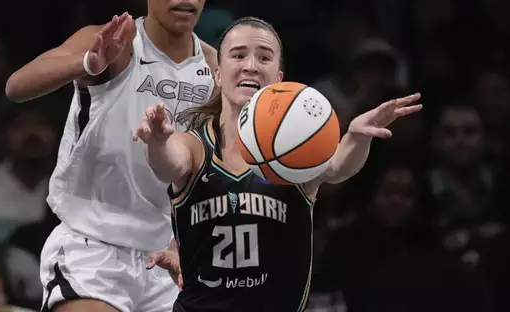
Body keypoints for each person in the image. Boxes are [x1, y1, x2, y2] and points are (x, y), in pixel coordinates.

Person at [133, 17, 422, 312]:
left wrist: (357, 138)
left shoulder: (295, 151)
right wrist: (156, 141)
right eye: (238, 55)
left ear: (278, 78)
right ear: (218, 74)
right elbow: (169, 164)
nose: (251, 65)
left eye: (264, 57)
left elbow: (337, 167)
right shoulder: (194, 146)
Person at [4, 0, 217, 311]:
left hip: (166, 258)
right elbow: (17, 86)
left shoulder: (214, 70)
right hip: (92, 249)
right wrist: (85, 62)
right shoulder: (115, 42)